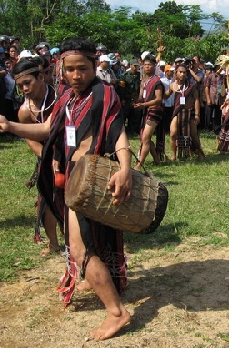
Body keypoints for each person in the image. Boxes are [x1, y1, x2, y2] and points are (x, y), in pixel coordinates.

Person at [0, 38, 131, 340]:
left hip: (95, 180)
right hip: (73, 179)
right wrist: (11, 126)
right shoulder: (66, 99)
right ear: (61, 69)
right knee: (85, 242)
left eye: (82, 68)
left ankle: (117, 312)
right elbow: (47, 130)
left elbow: (118, 133)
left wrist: (125, 169)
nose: (75, 75)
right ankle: (99, 281)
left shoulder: (105, 94)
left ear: (94, 66)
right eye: (69, 69)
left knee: (81, 246)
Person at [14, 58, 61, 255]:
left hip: (71, 154)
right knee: (46, 200)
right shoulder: (25, 112)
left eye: (27, 82)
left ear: (41, 77)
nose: (24, 89)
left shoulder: (61, 97)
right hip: (47, 158)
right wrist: (47, 158)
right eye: (20, 86)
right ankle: (53, 243)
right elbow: (30, 138)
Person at [165, 64, 204, 160]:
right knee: (173, 133)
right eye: (180, 72)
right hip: (177, 112)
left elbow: (196, 100)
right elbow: (164, 96)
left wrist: (197, 115)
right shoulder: (172, 86)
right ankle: (174, 155)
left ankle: (200, 153)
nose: (182, 74)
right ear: (176, 73)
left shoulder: (191, 86)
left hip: (189, 113)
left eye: (184, 72)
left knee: (193, 134)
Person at [134, 54, 164, 169]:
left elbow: (158, 99)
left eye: (150, 65)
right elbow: (141, 97)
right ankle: (157, 160)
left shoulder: (157, 81)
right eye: (145, 65)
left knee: (145, 138)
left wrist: (143, 104)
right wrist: (137, 102)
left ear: (154, 66)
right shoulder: (143, 81)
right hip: (146, 110)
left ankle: (140, 164)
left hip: (155, 111)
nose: (147, 67)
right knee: (144, 137)